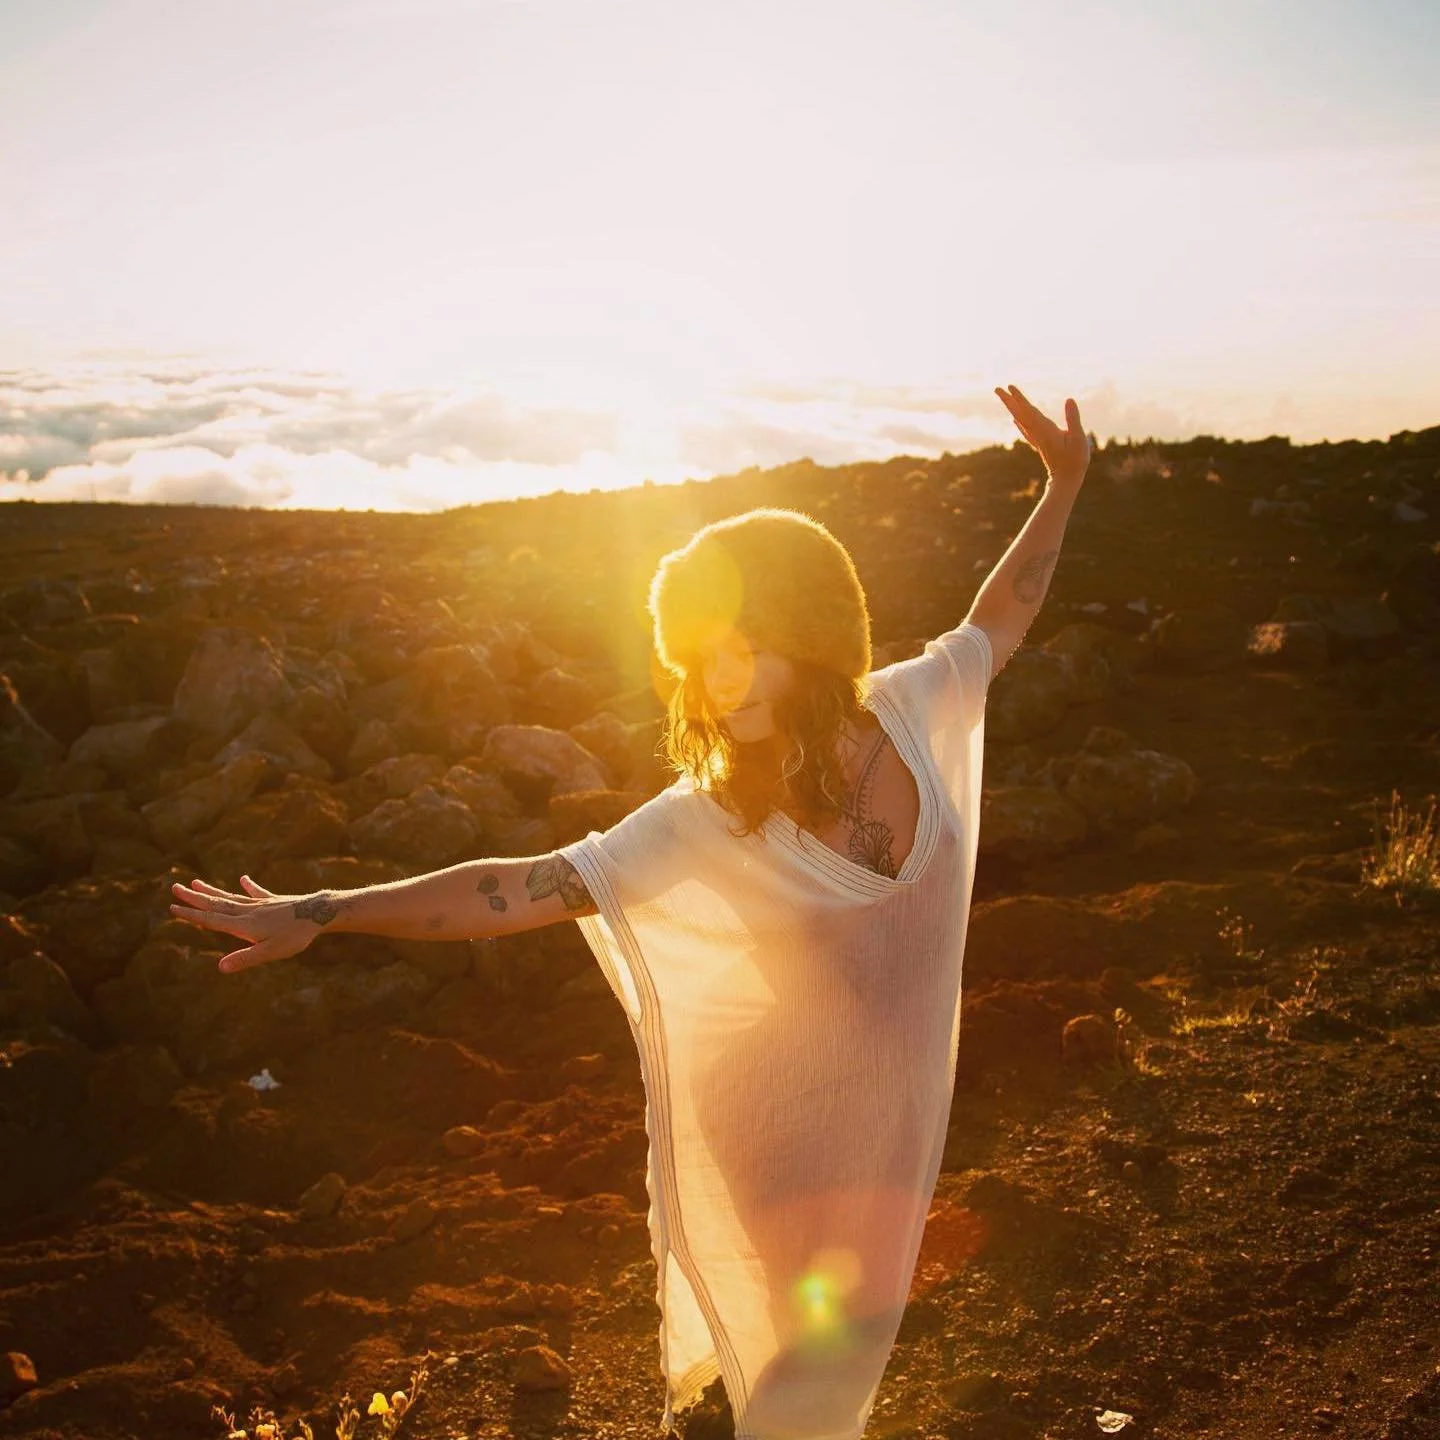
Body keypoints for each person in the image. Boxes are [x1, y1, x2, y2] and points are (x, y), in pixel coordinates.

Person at [171, 384, 1091, 1440]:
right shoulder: (714, 818)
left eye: (740, 647)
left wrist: (1064, 482)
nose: (719, 684)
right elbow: (519, 886)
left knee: (828, 1372)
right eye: (698, 663)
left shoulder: (917, 707)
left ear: (812, 631)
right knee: (812, 1383)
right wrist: (328, 911)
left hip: (884, 1123)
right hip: (777, 1124)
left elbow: (1001, 615)